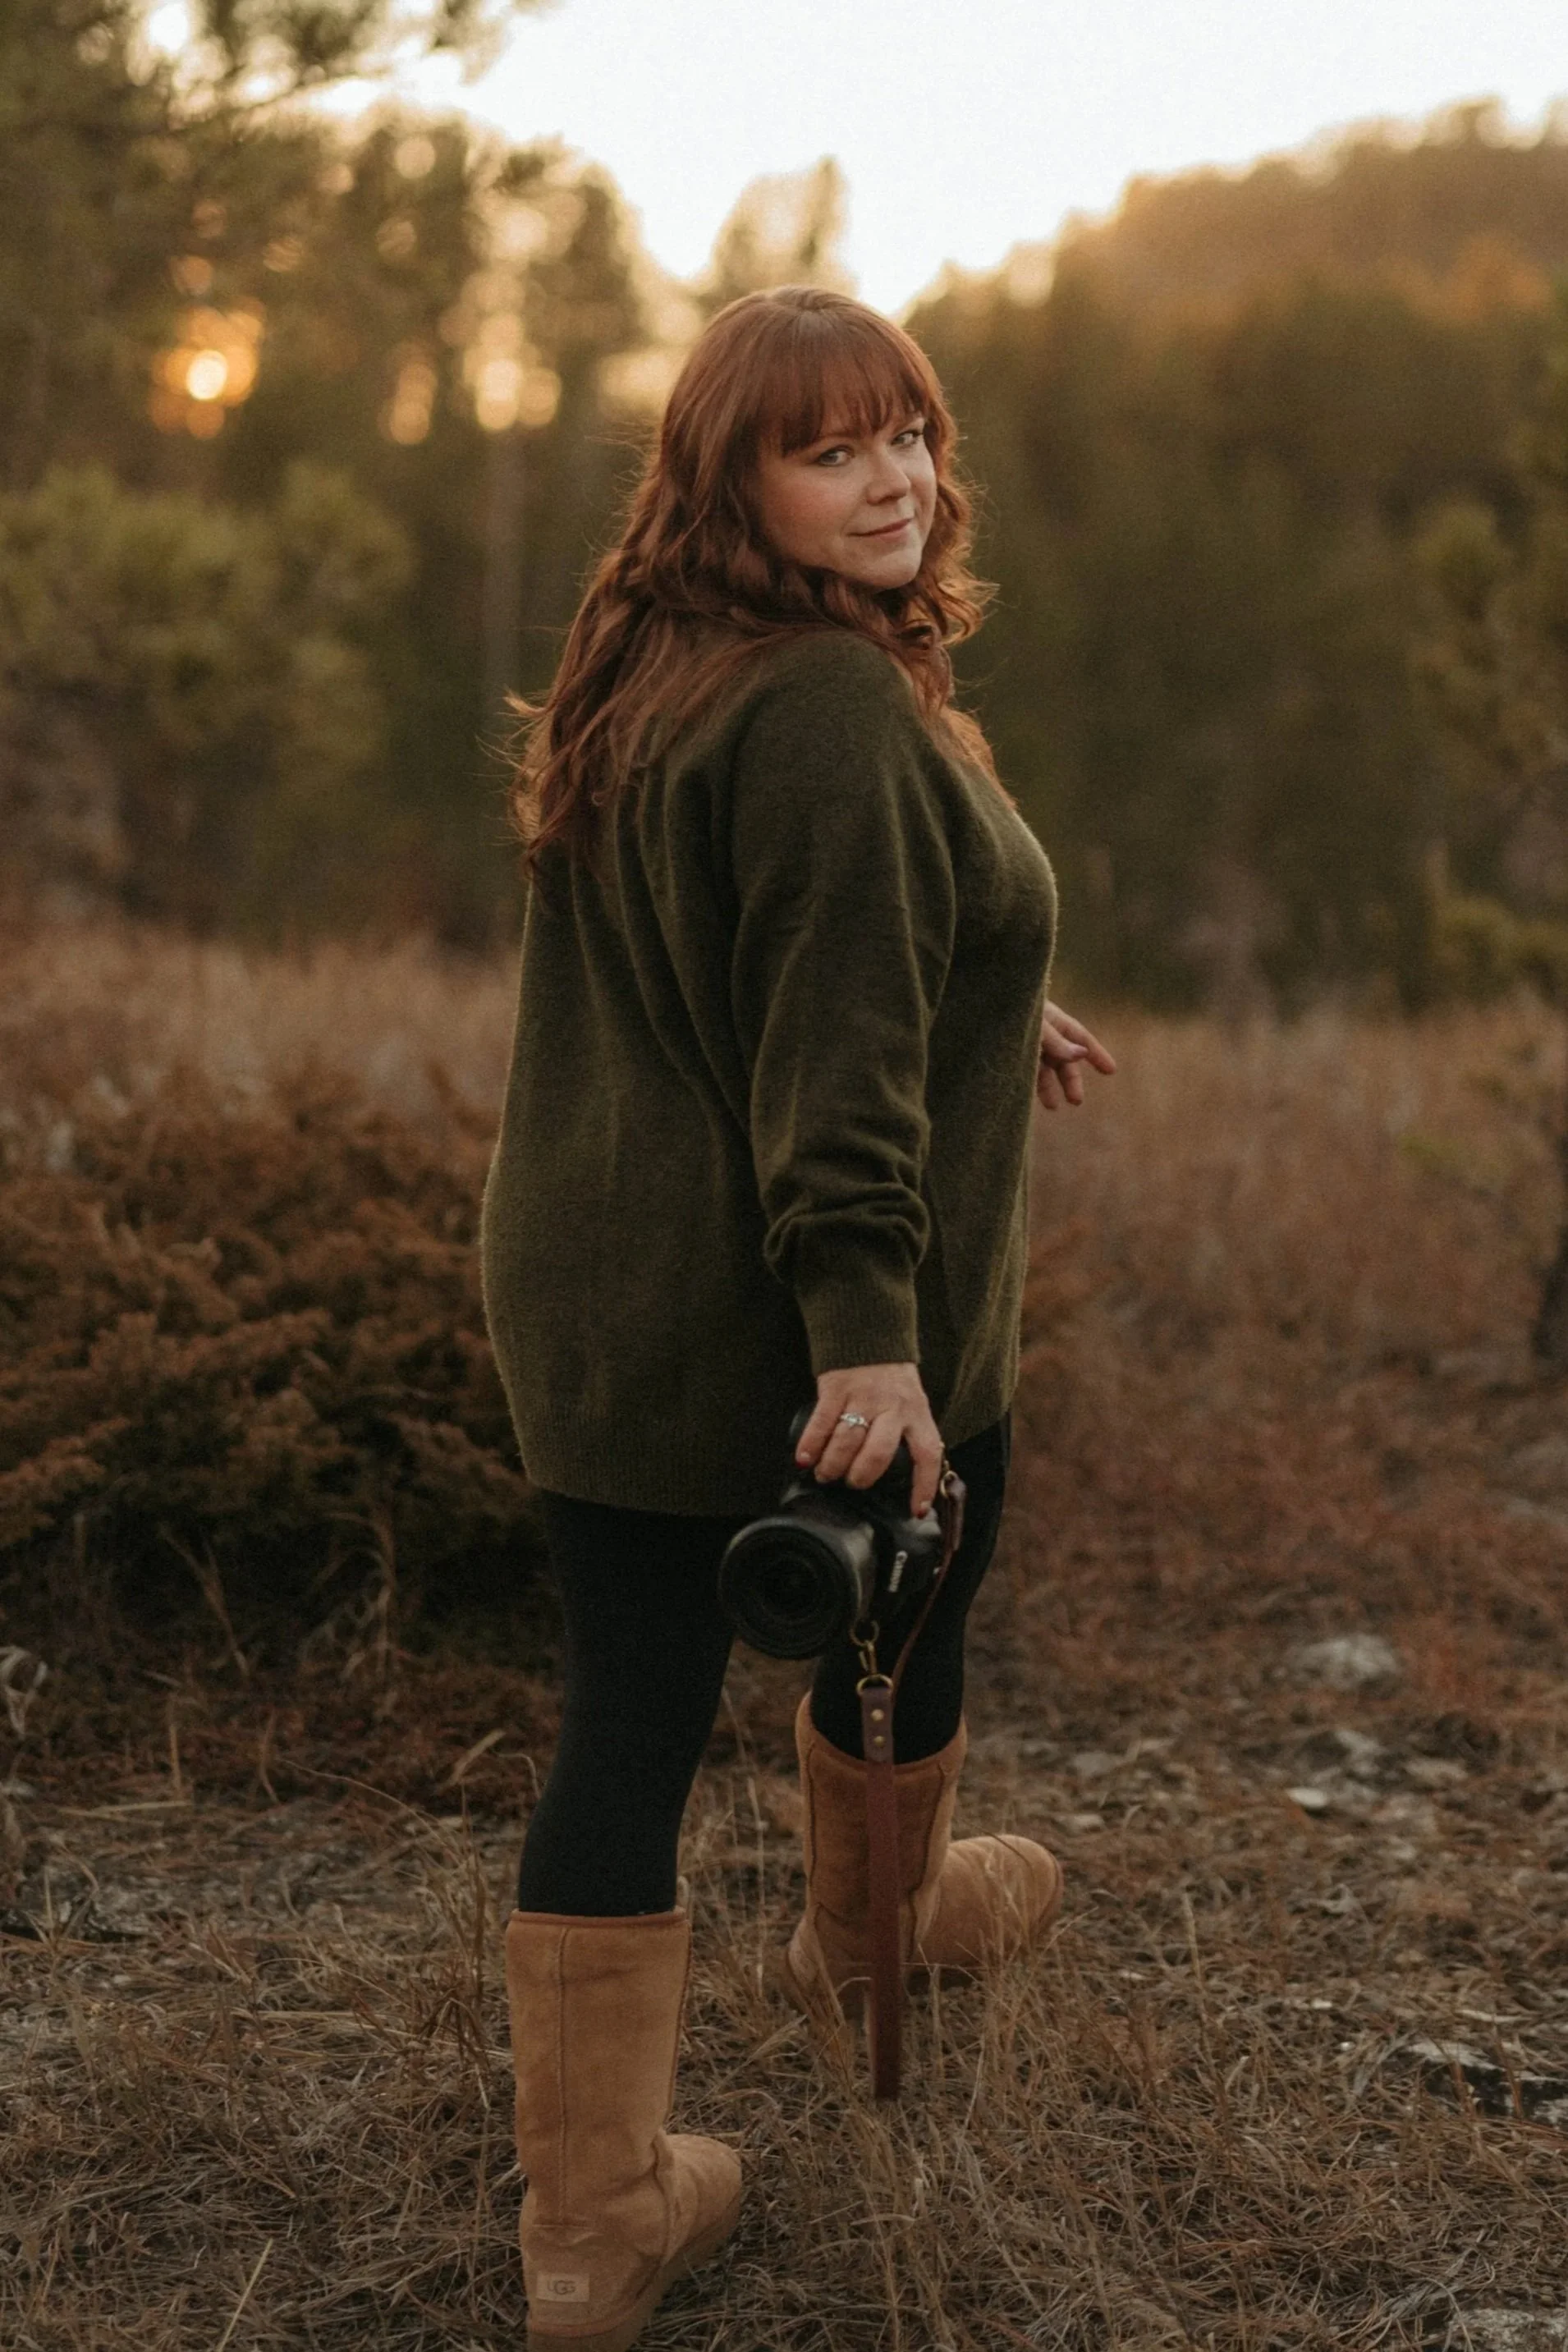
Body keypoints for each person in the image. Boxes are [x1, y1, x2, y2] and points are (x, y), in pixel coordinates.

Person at [480, 283, 1115, 2352]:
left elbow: (784, 948)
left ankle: (585, 2235)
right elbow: (829, 1051)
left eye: (909, 432)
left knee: (630, 1709)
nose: (898, 478)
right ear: (735, 479)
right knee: (913, 1585)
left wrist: (984, 999)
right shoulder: (836, 707)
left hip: (594, 1287)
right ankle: (880, 1925)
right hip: (790, 1294)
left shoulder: (654, 657)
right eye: (831, 449)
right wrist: (869, 1338)